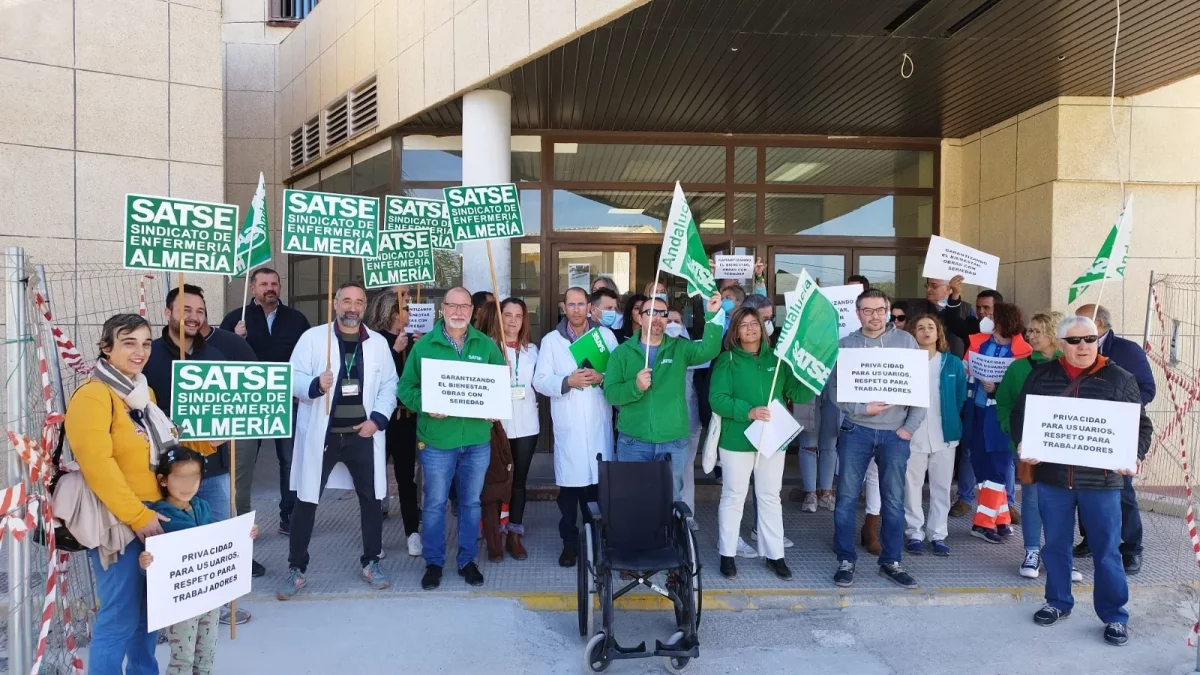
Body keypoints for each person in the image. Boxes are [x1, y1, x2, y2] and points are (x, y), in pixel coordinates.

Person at [1011, 315, 1153, 646]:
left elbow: (1140, 427)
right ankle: (1058, 602)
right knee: (1056, 545)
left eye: (1089, 339)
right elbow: (1021, 415)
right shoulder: (1042, 376)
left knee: (1107, 551)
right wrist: (1024, 442)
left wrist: (1135, 455)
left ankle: (1115, 615)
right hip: (1053, 479)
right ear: (1061, 345)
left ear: (1097, 340)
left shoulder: (1120, 378)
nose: (1083, 346)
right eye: (1074, 341)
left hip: (1101, 483)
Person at [64, 314, 170, 675]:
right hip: (119, 519)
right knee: (119, 616)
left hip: (154, 513)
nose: (139, 351)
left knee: (149, 614)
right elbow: (97, 465)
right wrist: (138, 517)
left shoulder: (143, 392)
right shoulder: (93, 395)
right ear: (106, 348)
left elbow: (158, 446)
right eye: (129, 343)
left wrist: (203, 445)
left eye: (145, 343)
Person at [279, 282, 398, 600]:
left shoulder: (377, 344)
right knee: (306, 498)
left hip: (362, 434)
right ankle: (296, 568)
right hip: (324, 435)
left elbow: (389, 385)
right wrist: (315, 384)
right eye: (346, 300)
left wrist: (377, 421)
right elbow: (292, 377)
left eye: (359, 302)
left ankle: (372, 562)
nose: (352, 307)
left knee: (371, 499)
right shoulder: (313, 339)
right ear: (335, 304)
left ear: (364, 307)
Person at [144, 285, 249, 625]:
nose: (193, 316)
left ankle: (218, 607)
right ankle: (165, 615)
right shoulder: (149, 357)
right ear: (167, 313)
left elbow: (235, 406)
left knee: (217, 536)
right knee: (168, 545)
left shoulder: (215, 357)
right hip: (166, 473)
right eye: (186, 309)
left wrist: (234, 425)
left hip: (214, 468)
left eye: (200, 311)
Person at [397, 287, 506, 590]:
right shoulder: (424, 346)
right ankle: (434, 562)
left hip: (476, 440)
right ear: (442, 309)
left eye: (465, 307)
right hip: (436, 442)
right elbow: (405, 388)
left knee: (471, 503)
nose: (459, 312)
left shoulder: (485, 346)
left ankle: (467, 560)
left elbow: (500, 385)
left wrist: (496, 407)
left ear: (472, 311)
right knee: (433, 504)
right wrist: (426, 404)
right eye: (453, 306)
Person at [829, 289, 926, 589]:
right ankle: (846, 559)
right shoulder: (846, 346)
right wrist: (863, 408)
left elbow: (919, 390)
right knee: (845, 499)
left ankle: (891, 562)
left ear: (887, 311)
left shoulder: (906, 342)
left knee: (894, 501)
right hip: (856, 430)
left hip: (895, 434)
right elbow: (835, 392)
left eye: (879, 310)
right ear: (857, 313)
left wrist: (909, 427)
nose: (874, 316)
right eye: (867, 310)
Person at [710, 307, 813, 580]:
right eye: (743, 325)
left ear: (763, 327)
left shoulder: (778, 359)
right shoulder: (727, 360)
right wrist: (748, 411)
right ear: (735, 331)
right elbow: (717, 399)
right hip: (736, 439)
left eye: (754, 323)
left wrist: (813, 375)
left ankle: (774, 554)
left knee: (769, 496)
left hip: (771, 438)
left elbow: (796, 391)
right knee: (733, 497)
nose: (750, 328)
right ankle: (727, 554)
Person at [138, 448, 259, 675]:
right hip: (180, 605)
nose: (188, 484)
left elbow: (219, 542)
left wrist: (244, 534)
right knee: (182, 660)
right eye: (180, 477)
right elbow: (152, 564)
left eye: (194, 477)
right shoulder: (158, 516)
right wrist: (146, 563)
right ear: (163, 480)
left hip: (208, 598)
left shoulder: (202, 507)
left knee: (206, 656)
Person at [219, 268, 310, 541]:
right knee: (245, 463)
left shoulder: (297, 319)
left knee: (289, 461)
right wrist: (234, 338)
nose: (269, 288)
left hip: (287, 400)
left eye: (274, 283)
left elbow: (309, 358)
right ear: (253, 288)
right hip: (249, 403)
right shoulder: (235, 319)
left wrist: (301, 389)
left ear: (280, 287)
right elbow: (219, 359)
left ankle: (289, 515)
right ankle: (239, 521)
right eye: (263, 284)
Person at [604, 291, 724, 498]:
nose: (657, 317)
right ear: (639, 317)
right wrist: (635, 386)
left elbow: (709, 350)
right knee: (634, 499)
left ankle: (667, 531)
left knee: (670, 499)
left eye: (662, 313)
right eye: (651, 312)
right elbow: (611, 393)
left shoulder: (680, 348)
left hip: (673, 439)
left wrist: (712, 315)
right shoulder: (622, 353)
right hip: (633, 440)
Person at [533, 287, 619, 567]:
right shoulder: (551, 341)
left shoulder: (604, 336)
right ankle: (570, 543)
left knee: (597, 489)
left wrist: (601, 376)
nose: (577, 309)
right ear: (564, 307)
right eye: (571, 304)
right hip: (569, 427)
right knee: (569, 492)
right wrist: (567, 381)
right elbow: (540, 380)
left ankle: (598, 541)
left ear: (590, 307)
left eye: (581, 304)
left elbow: (620, 374)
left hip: (597, 424)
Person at [1073, 304, 1154, 574]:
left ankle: (1131, 548)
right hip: (1084, 431)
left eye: (1081, 319)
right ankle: (1090, 539)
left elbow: (1146, 389)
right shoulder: (1076, 350)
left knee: (1123, 492)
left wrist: (1118, 410)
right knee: (1084, 488)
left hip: (1116, 434)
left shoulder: (1127, 350)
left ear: (1098, 323)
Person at [997, 311, 1076, 579]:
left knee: (1064, 502)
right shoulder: (1019, 367)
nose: (1029, 335)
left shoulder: (1073, 365)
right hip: (1028, 445)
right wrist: (1014, 433)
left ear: (1054, 333)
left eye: (1036, 331)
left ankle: (1061, 557)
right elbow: (1005, 403)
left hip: (1065, 445)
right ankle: (1031, 552)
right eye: (1029, 330)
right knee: (1031, 499)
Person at [963, 302, 1030, 544]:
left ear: (1003, 320)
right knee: (981, 464)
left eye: (991, 314)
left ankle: (983, 523)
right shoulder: (980, 342)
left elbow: (1023, 386)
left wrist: (998, 387)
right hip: (977, 410)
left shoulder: (1024, 351)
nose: (985, 316)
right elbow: (965, 369)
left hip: (1001, 415)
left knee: (998, 467)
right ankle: (1001, 519)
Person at [364, 288, 423, 558]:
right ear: (391, 312)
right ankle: (374, 540)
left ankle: (412, 532)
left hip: (405, 420)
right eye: (405, 307)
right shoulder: (374, 342)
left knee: (405, 479)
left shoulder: (413, 340)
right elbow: (376, 380)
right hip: (380, 420)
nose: (410, 312)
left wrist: (415, 347)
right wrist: (393, 349)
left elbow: (414, 381)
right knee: (375, 479)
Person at [902, 315, 966, 557]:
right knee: (912, 485)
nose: (926, 332)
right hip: (912, 433)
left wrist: (951, 419)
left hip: (945, 434)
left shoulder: (952, 363)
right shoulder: (906, 362)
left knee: (941, 486)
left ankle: (938, 534)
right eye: (920, 327)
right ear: (913, 333)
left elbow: (960, 397)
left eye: (931, 327)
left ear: (939, 333)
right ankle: (914, 532)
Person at [497, 297, 540, 560]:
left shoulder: (533, 351)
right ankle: (492, 530)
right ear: (499, 317)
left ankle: (514, 533)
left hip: (526, 425)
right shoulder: (490, 348)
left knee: (519, 482)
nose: (513, 321)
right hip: (498, 425)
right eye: (508, 315)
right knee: (495, 480)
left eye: (518, 316)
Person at [666, 307, 703, 511]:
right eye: (668, 320)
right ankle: (664, 514)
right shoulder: (653, 350)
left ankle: (687, 514)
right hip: (664, 419)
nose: (673, 324)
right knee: (664, 470)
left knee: (686, 467)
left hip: (689, 417)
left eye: (677, 321)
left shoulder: (691, 349)